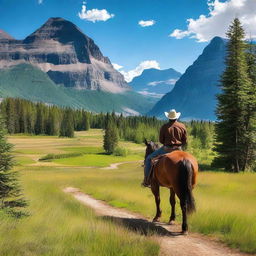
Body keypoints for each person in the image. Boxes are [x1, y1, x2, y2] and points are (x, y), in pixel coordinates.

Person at [142, 109, 187, 187]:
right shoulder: (182, 126)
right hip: (179, 149)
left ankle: (147, 180)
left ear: (168, 117)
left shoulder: (164, 127)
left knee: (149, 158)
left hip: (166, 149)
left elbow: (161, 140)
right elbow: (185, 140)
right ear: (176, 117)